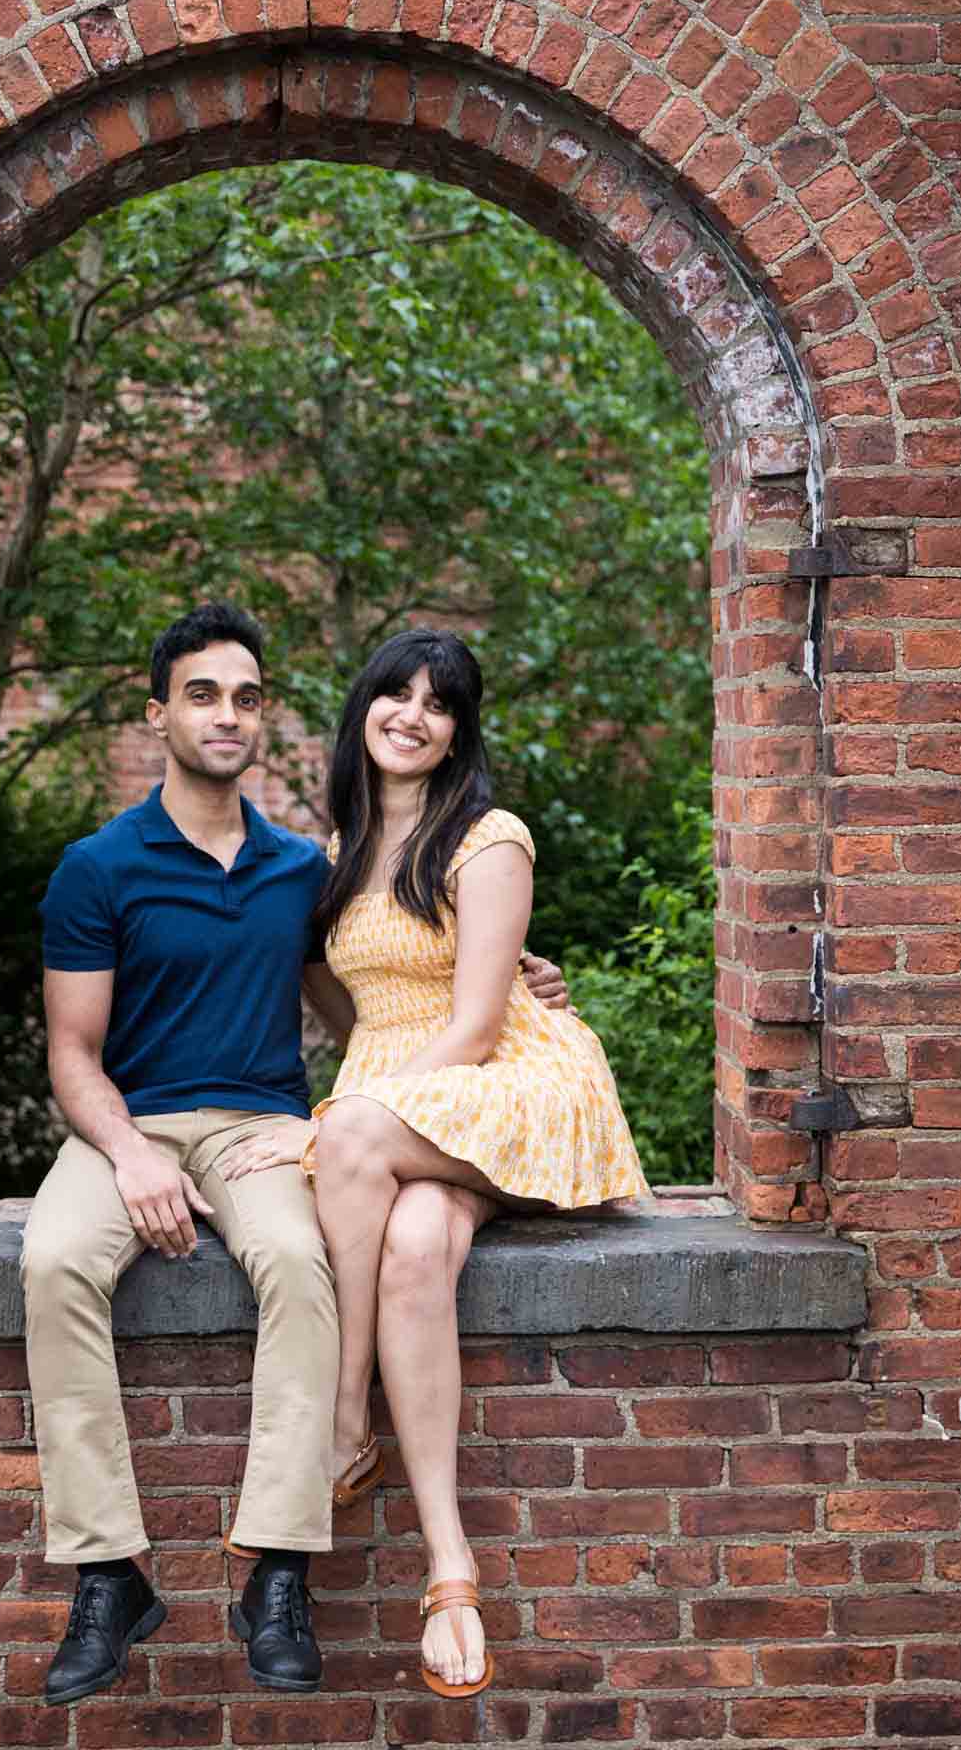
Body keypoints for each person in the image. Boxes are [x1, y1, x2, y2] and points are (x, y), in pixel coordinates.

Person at [23, 604, 569, 1706]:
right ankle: (103, 1573)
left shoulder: (296, 870)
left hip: (261, 1128)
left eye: (246, 696)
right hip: (127, 1125)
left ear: (265, 717)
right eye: (202, 694)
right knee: (49, 1263)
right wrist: (128, 1152)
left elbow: (391, 971)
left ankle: (277, 1568)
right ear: (158, 713)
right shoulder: (97, 866)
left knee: (300, 1261)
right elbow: (72, 1053)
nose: (226, 714)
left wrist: (521, 979)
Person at [221, 627, 650, 1700]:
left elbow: (469, 1025)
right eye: (395, 693)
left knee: (360, 1138)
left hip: (504, 1077)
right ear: (362, 706)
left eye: (439, 701)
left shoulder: (486, 835)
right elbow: (331, 991)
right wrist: (358, 1079)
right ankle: (452, 1570)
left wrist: (332, 1126)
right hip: (400, 1101)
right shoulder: (335, 853)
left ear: (458, 729)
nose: (412, 713)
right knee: (415, 1247)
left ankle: (343, 1423)